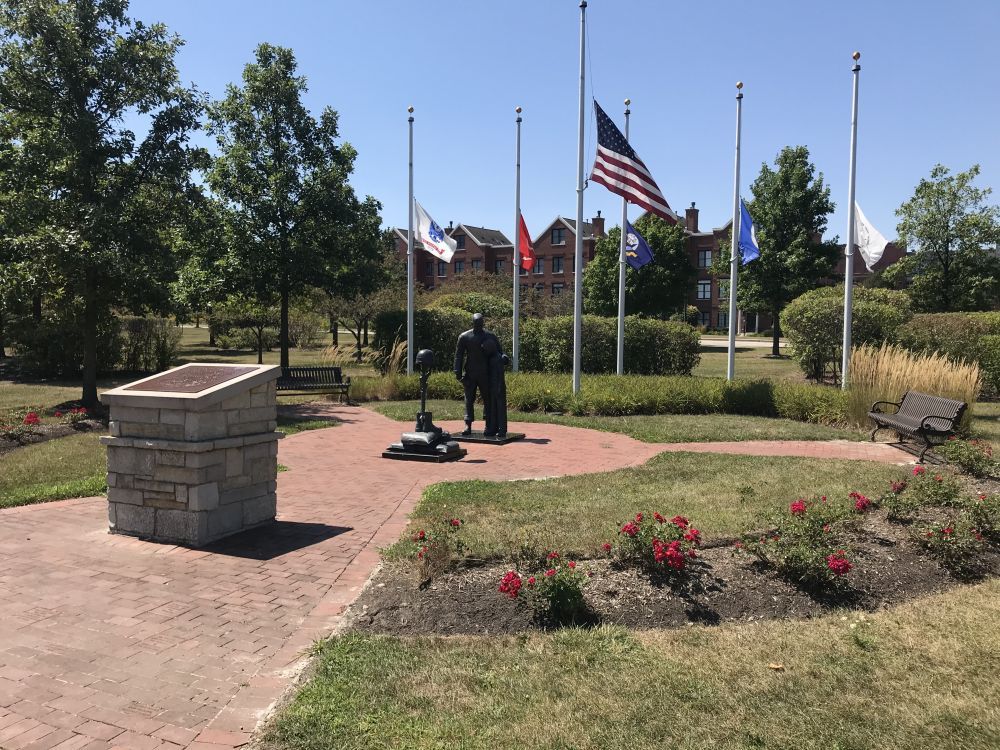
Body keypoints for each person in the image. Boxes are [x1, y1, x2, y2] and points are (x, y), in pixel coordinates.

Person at [453, 312, 504, 436]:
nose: (479, 325)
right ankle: (467, 424)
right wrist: (458, 373)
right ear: (473, 323)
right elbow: (458, 356)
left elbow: (499, 352)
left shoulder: (490, 336)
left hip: (485, 374)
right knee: (468, 399)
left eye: (481, 323)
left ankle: (489, 424)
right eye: (477, 323)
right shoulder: (464, 337)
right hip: (470, 373)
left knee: (488, 400)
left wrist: (504, 358)